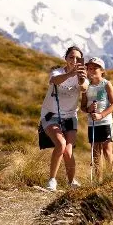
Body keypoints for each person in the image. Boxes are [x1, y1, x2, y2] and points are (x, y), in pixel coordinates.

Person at [41, 46, 89, 191]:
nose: (74, 60)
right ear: (65, 58)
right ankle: (52, 180)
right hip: (51, 115)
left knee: (68, 151)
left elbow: (84, 87)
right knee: (60, 144)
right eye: (71, 57)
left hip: (70, 116)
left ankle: (71, 181)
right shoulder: (58, 72)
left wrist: (80, 77)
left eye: (77, 58)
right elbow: (54, 81)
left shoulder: (82, 76)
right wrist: (70, 74)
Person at [82, 56, 113, 179]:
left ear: (102, 70)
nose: (91, 70)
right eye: (89, 68)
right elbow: (83, 107)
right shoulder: (86, 86)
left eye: (95, 68)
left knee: (107, 150)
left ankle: (111, 178)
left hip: (105, 122)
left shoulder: (106, 84)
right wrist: (89, 109)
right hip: (92, 123)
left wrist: (101, 115)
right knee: (96, 153)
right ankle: (99, 180)